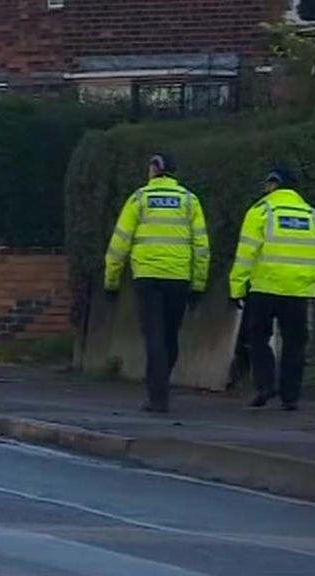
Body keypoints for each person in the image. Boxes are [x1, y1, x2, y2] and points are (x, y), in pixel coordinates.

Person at [104, 153, 210, 413]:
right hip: (178, 277)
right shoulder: (189, 201)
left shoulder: (139, 199)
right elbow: (202, 247)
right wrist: (198, 284)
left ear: (154, 169)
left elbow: (119, 243)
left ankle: (157, 396)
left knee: (154, 336)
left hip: (148, 277)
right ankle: (161, 385)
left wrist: (111, 281)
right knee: (170, 335)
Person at [228, 168, 315, 411]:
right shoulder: (313, 216)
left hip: (264, 287)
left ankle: (265, 384)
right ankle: (291, 396)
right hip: (298, 291)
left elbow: (246, 254)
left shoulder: (261, 211)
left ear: (273, 185)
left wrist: (236, 288)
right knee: (295, 343)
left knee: (258, 338)